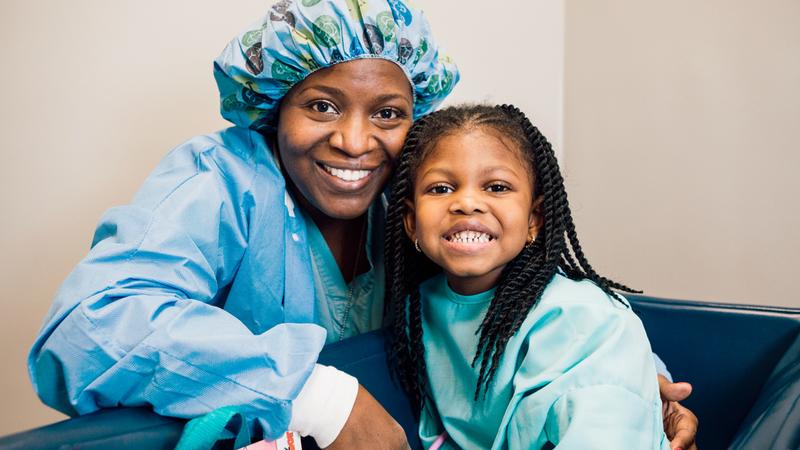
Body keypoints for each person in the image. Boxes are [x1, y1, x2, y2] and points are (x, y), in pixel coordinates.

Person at [27, 1, 696, 449]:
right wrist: (318, 394)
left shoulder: (409, 203)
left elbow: (517, 301)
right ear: (273, 107)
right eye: (321, 105)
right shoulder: (220, 182)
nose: (354, 142)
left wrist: (637, 387)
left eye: (387, 113)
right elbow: (87, 330)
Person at [385, 104, 684, 449]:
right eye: (440, 189)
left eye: (496, 187)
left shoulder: (586, 321)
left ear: (534, 220)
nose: (466, 203)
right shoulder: (418, 310)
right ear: (410, 222)